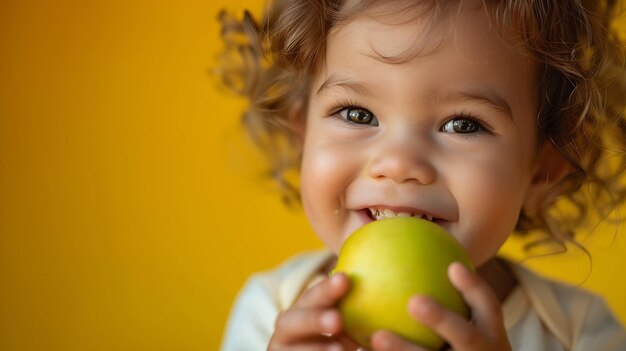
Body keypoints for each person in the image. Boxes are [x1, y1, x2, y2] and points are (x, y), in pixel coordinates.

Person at [217, 0, 626, 350]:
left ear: (542, 172)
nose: (398, 163)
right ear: (303, 136)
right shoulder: (271, 310)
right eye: (357, 114)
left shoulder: (576, 331)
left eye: (463, 124)